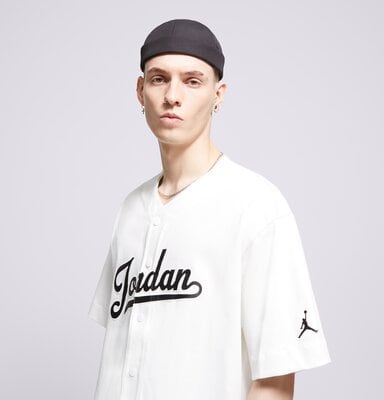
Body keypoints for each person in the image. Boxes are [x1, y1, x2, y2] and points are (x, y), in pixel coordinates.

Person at [88, 18, 331, 400]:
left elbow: (276, 381)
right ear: (140, 91)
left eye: (192, 81)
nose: (172, 96)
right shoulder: (131, 210)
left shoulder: (257, 207)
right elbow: (122, 353)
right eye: (158, 79)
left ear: (218, 94)